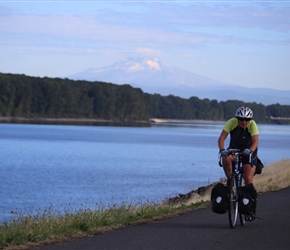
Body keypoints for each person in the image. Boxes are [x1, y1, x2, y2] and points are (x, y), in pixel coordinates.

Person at [218, 106, 259, 185]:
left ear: (250, 120)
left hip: (249, 150)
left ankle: (249, 195)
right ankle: (231, 180)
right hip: (234, 149)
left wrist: (250, 150)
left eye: (247, 120)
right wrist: (222, 150)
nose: (244, 122)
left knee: (248, 179)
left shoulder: (252, 124)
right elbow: (221, 138)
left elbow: (255, 141)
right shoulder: (232, 122)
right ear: (237, 118)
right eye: (241, 119)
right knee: (225, 158)